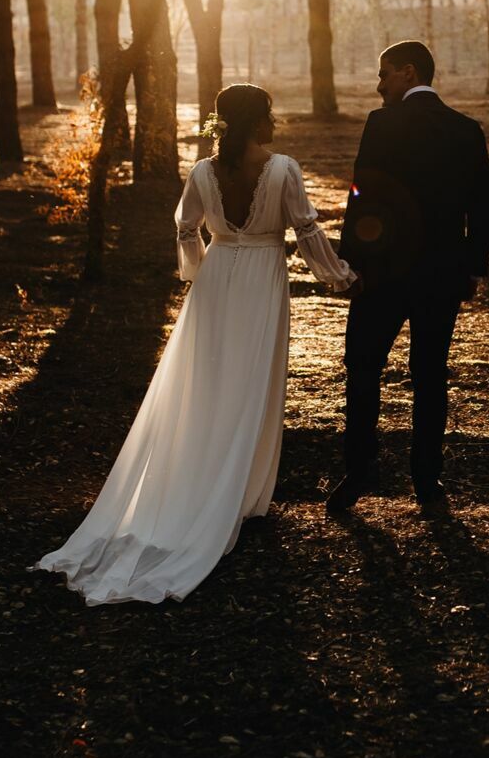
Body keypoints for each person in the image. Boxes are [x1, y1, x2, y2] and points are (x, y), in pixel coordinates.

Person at [37, 84, 357, 604]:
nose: (274, 121)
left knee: (206, 382)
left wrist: (199, 274)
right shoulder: (283, 169)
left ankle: (224, 485)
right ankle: (240, 496)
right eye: (269, 114)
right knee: (253, 382)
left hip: (215, 282)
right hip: (261, 280)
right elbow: (305, 230)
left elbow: (186, 227)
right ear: (257, 121)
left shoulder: (202, 172)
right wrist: (339, 276)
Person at [326, 40, 489, 517]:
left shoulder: (382, 124)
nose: (379, 86)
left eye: (384, 75)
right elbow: (482, 205)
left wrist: (350, 264)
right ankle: (427, 481)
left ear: (407, 72)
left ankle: (358, 471)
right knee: (430, 377)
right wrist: (473, 269)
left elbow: (361, 192)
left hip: (381, 274)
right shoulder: (466, 130)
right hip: (442, 275)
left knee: (362, 369)